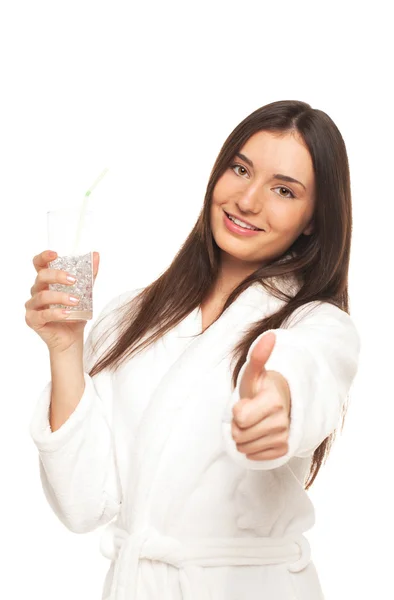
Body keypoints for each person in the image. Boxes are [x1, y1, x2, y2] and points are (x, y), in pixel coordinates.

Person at [25, 99, 361, 600]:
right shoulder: (127, 318)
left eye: (284, 190)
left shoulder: (317, 325)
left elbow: (308, 371)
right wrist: (65, 347)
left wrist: (278, 405)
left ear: (314, 218)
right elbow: (82, 505)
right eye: (240, 169)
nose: (247, 200)